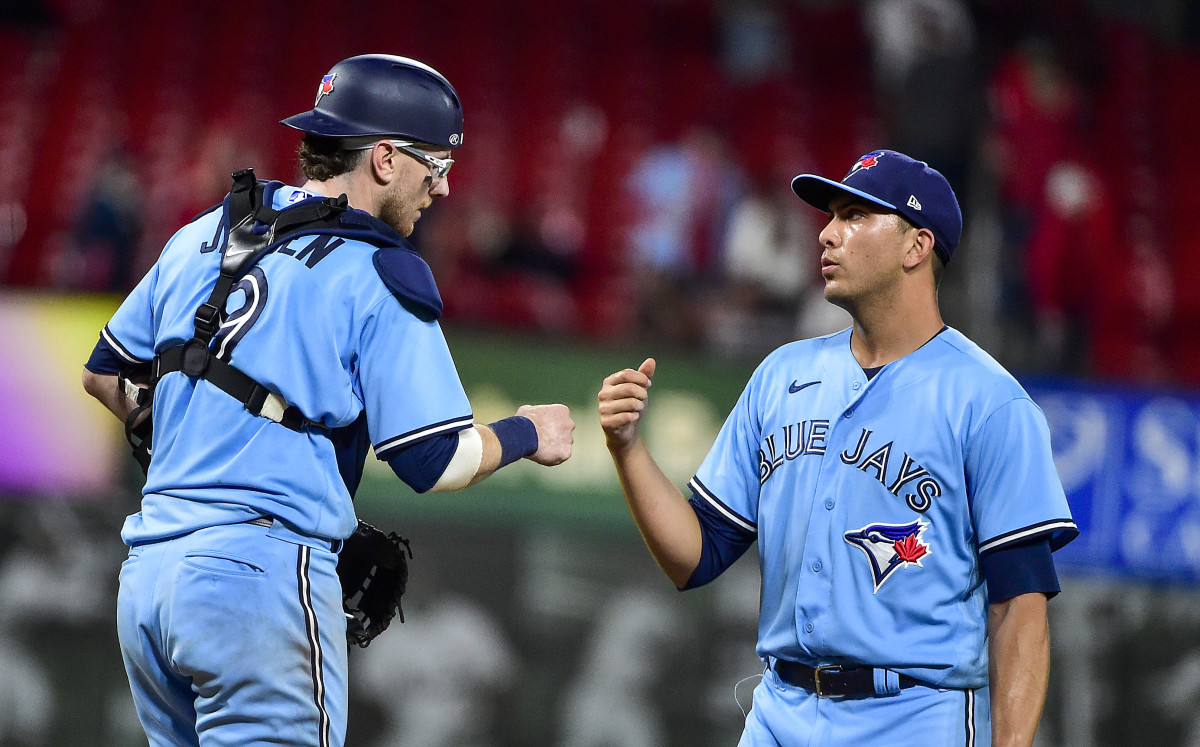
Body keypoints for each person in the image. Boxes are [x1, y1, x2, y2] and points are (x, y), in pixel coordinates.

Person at [81, 54, 575, 746]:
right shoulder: (379, 268)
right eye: (435, 163)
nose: (443, 186)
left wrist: (194, 446)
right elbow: (435, 458)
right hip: (258, 581)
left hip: (149, 580)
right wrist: (526, 431)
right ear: (383, 158)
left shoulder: (204, 232)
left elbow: (105, 373)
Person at [599, 149, 1077, 745]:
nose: (826, 234)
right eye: (830, 217)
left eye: (854, 216)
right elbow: (695, 557)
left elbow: (1019, 611)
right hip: (781, 710)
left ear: (915, 247)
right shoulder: (781, 375)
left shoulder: (989, 403)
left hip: (914, 716)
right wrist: (628, 450)